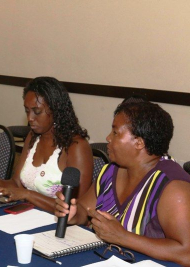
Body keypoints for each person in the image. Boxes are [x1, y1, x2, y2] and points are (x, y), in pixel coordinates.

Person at [55, 102, 190, 265]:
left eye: (115, 132)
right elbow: (85, 209)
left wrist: (123, 237)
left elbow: (186, 252)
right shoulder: (111, 170)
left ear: (139, 143)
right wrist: (74, 215)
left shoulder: (172, 187)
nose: (108, 138)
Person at [0, 77, 93, 213]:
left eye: (37, 111)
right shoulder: (33, 136)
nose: (30, 118)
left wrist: (28, 195)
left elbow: (76, 209)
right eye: (27, 111)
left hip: (60, 224)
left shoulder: (76, 146)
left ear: (56, 110)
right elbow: (17, 183)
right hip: (30, 215)